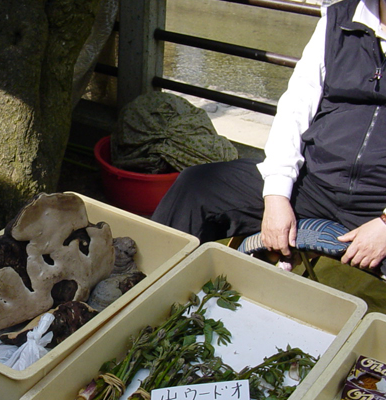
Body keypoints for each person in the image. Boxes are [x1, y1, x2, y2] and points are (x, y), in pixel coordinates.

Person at [152, 0, 386, 276]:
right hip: (313, 180)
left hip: (376, 202)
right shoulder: (339, 18)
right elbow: (296, 107)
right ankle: (145, 284)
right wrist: (276, 195)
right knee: (196, 188)